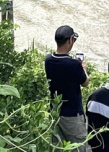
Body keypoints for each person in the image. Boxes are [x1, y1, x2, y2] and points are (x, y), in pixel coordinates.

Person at [44, 24, 90, 152]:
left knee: (58, 147)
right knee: (80, 148)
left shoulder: (48, 60)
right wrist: (84, 69)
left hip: (56, 112)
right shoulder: (74, 64)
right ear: (70, 40)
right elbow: (85, 83)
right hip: (73, 116)